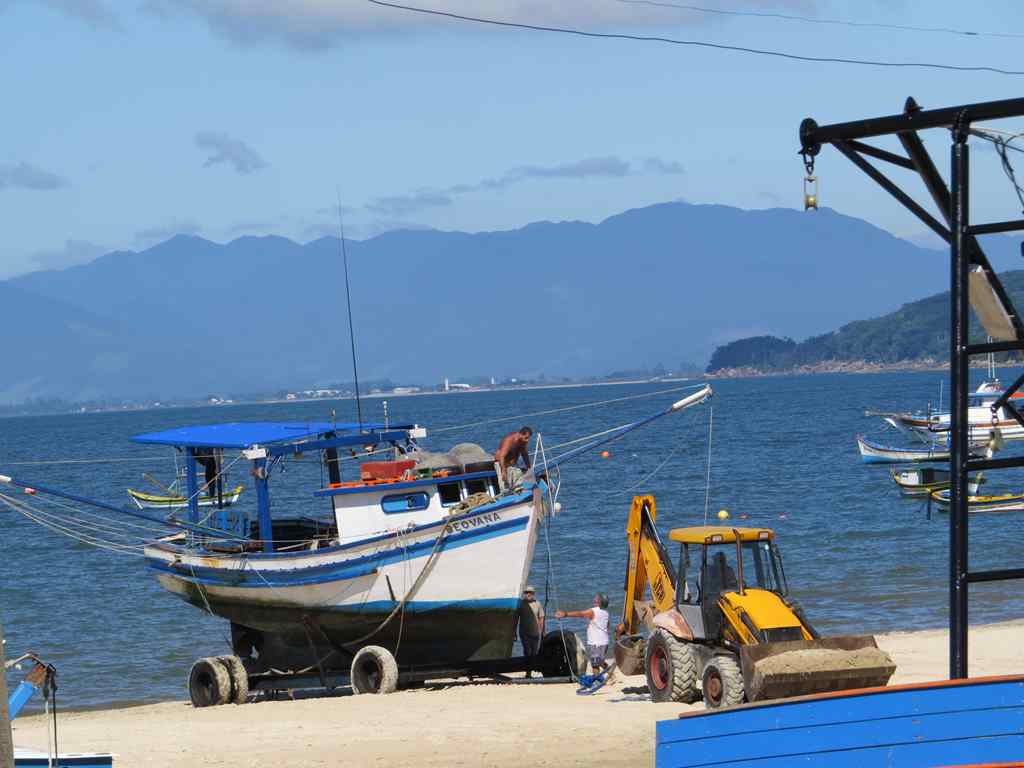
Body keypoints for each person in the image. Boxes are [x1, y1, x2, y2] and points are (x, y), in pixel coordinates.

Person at [556, 593, 610, 674]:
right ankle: (611, 675)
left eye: (596, 599)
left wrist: (566, 614)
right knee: (600, 661)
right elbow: (608, 626)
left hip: (596, 642)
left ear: (599, 602)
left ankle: (597, 680)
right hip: (605, 642)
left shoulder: (593, 611)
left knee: (595, 664)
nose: (594, 599)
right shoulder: (606, 613)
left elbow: (581, 614)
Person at [515, 585, 545, 662]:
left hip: (535, 632)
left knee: (534, 652)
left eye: (530, 592)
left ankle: (532, 669)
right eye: (526, 592)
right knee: (527, 651)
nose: (528, 594)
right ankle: (528, 671)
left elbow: (541, 618)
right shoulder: (520, 604)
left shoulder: (537, 603)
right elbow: (515, 618)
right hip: (524, 633)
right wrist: (514, 631)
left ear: (533, 594)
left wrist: (542, 631)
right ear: (524, 593)